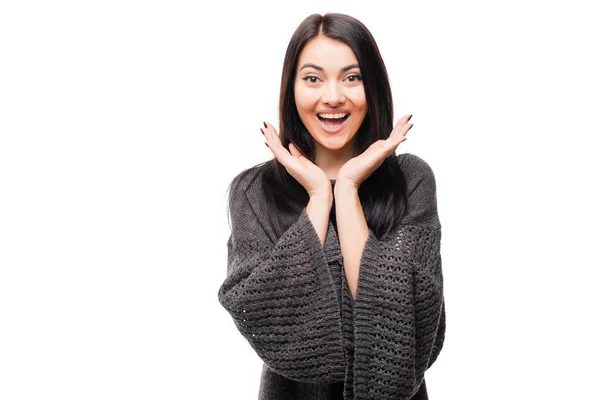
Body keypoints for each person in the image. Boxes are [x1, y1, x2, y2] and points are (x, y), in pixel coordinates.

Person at [217, 12, 445, 400]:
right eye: (313, 78)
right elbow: (262, 315)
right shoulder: (254, 191)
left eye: (352, 77)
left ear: (372, 87)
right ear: (292, 90)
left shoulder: (410, 180)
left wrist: (349, 189)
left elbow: (406, 325)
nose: (334, 96)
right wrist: (320, 196)